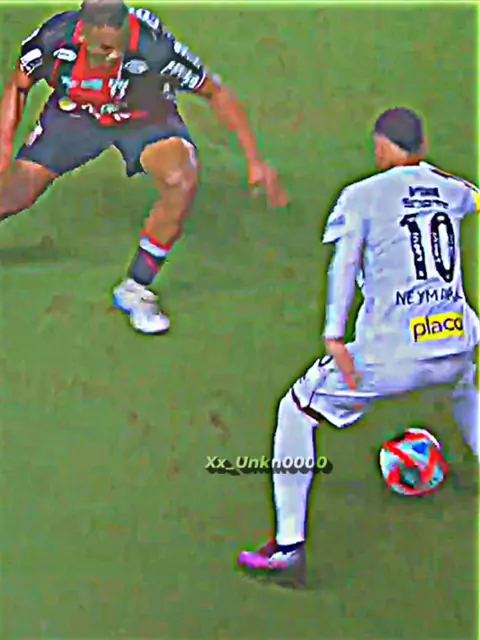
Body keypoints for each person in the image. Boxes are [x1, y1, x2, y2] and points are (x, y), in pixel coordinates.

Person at [237, 107, 480, 586]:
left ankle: (288, 547)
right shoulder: (450, 190)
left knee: (297, 410)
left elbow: (344, 264)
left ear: (382, 147)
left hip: (393, 354)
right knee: (465, 387)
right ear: (423, 147)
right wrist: (432, 182)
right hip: (455, 340)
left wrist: (334, 335)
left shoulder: (361, 196)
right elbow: (473, 195)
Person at [0, 0, 287, 334]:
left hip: (144, 117)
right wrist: (4, 146)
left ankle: (136, 288)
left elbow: (215, 91)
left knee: (180, 177)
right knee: (17, 192)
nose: (115, 57)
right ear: (82, 35)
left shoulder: (154, 47)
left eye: (120, 46)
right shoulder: (53, 40)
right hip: (76, 114)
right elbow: (19, 85)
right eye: (105, 49)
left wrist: (255, 160)